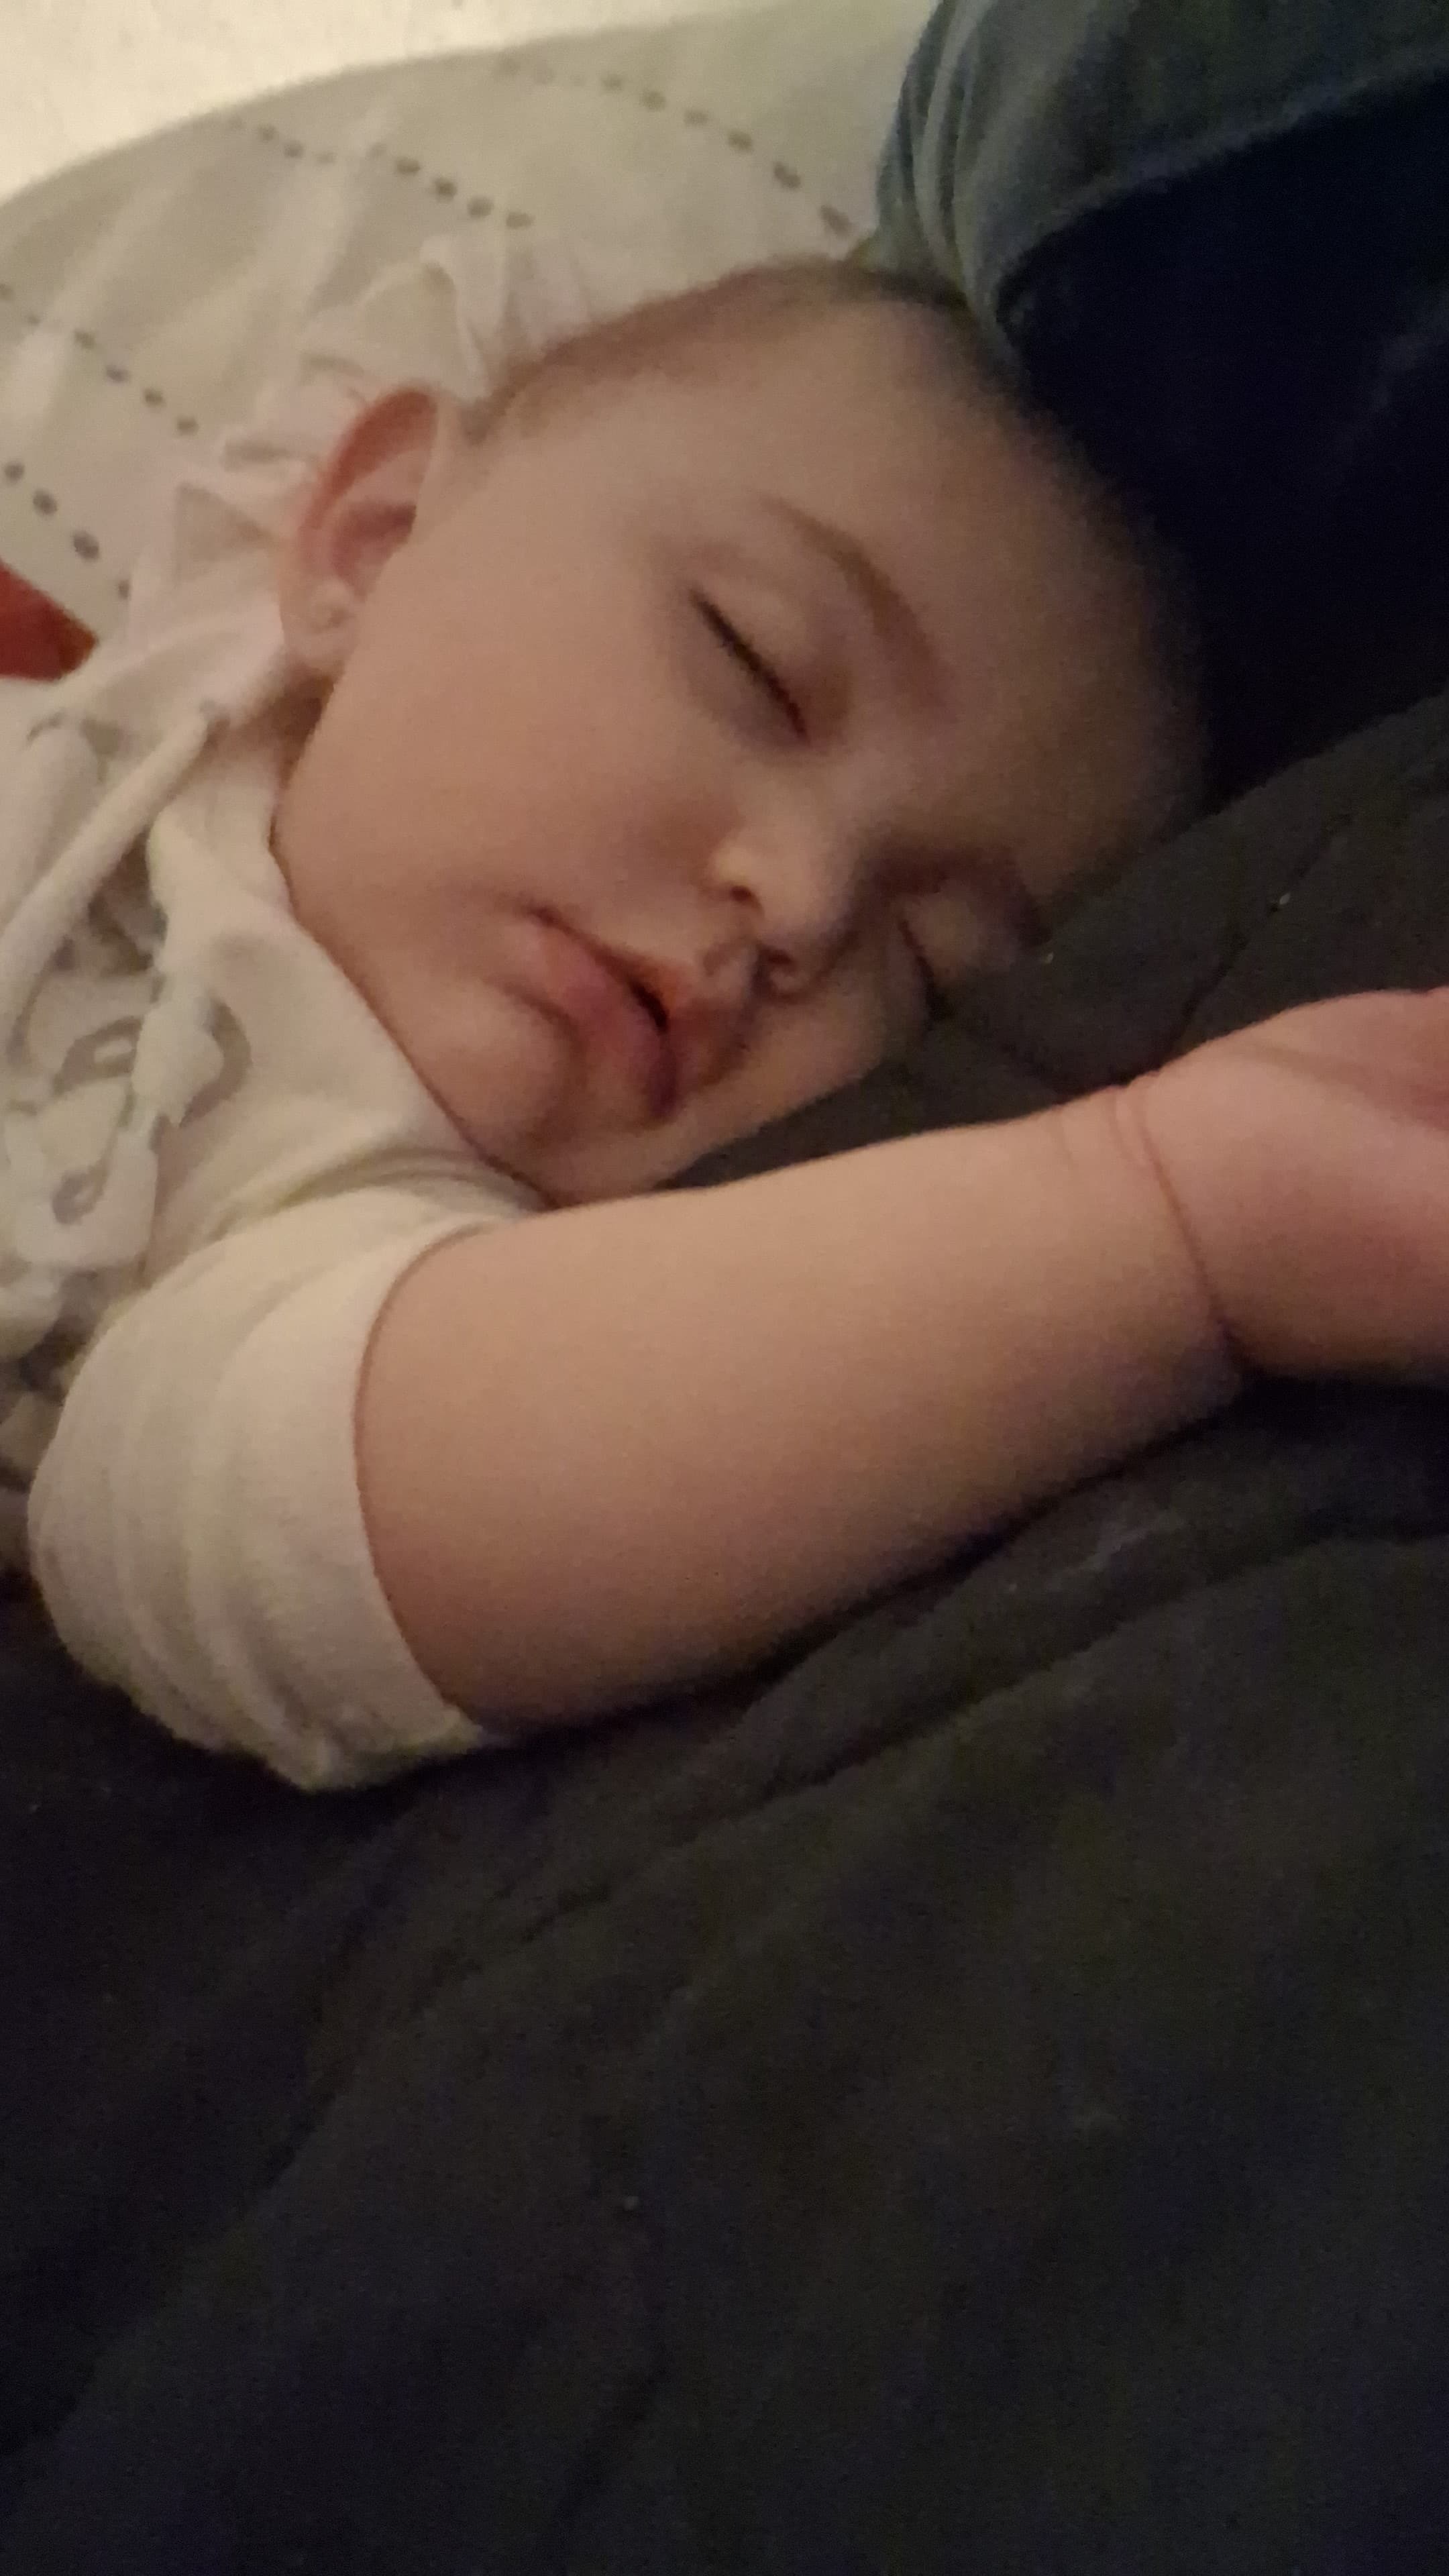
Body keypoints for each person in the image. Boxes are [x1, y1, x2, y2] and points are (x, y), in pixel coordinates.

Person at [3, 248, 1447, 1790]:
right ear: (366, 538)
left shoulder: (341, 1243)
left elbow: (275, 1516)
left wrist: (1166, 1226)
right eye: (758, 664)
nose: (808, 901)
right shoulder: (221, 647)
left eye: (931, 964)